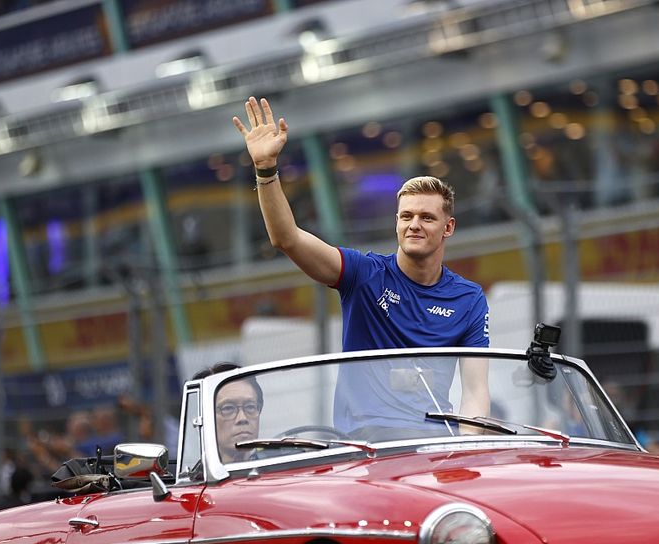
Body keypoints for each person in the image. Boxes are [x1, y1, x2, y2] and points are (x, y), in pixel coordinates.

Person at [231, 98, 489, 423]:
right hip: (365, 450)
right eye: (406, 216)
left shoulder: (469, 298)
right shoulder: (364, 274)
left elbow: (476, 391)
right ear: (396, 221)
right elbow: (287, 238)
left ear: (448, 227)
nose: (414, 225)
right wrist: (266, 170)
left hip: (432, 449)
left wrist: (464, 448)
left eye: (427, 217)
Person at [192, 363, 265, 463]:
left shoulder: (276, 470)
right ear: (203, 419)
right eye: (228, 408)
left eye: (250, 407)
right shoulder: (195, 477)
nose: (242, 418)